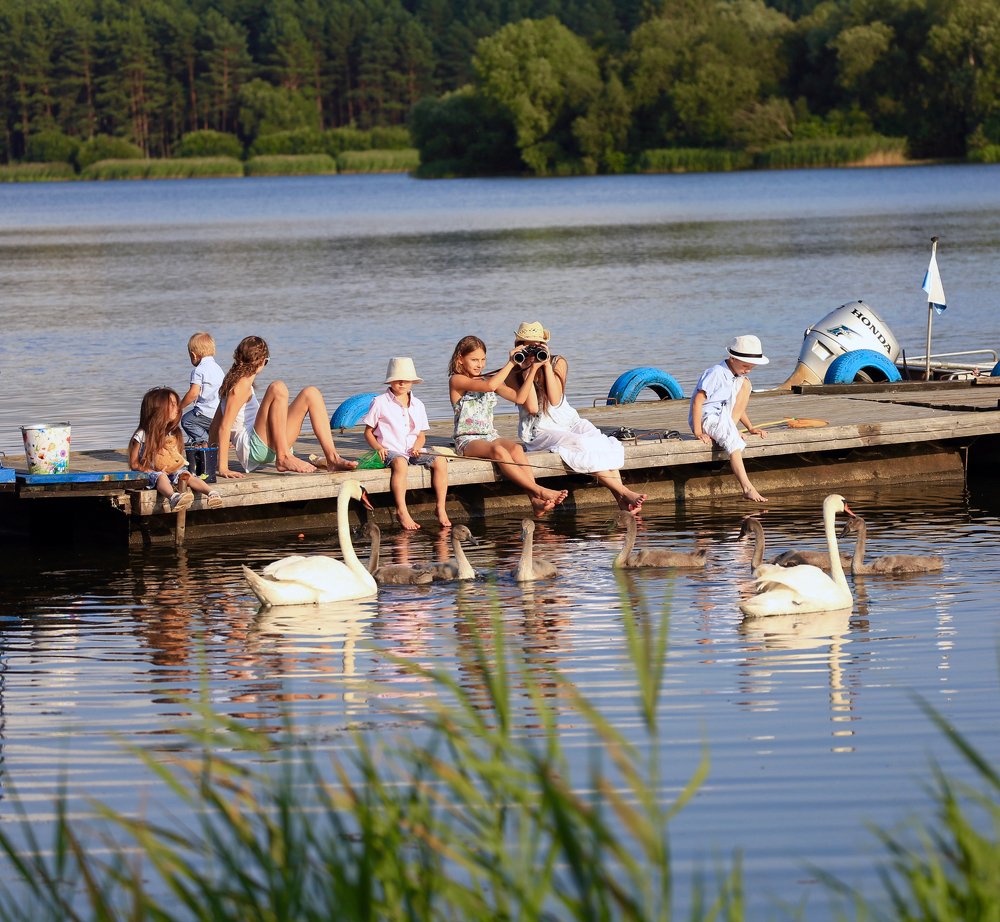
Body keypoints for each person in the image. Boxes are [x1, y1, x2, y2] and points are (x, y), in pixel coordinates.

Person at [508, 321, 647, 514]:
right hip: (540, 430)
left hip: (568, 420)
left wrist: (546, 365)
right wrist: (527, 370)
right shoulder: (513, 371)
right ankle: (624, 492)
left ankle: (621, 500)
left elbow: (555, 400)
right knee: (581, 443)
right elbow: (532, 407)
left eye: (538, 345)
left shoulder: (558, 362)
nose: (533, 351)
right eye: (528, 346)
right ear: (519, 346)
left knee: (600, 441)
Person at [449, 334, 568, 517]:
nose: (480, 364)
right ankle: (538, 490)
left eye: (483, 359)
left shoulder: (488, 380)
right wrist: (511, 363)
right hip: (467, 439)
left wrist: (532, 370)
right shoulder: (457, 380)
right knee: (498, 451)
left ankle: (535, 501)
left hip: (490, 435)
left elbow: (520, 398)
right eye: (474, 360)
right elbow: (490, 386)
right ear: (460, 359)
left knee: (516, 449)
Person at [209, 335, 357, 479]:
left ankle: (332, 459)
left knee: (311, 393)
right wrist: (222, 467)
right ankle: (283, 457)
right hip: (253, 448)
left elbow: (215, 424)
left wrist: (210, 458)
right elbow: (223, 427)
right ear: (262, 361)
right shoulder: (240, 386)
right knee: (277, 387)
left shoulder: (235, 382)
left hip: (266, 443)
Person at [363, 357, 451, 530]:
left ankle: (441, 507)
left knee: (440, 460)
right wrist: (379, 447)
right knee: (401, 463)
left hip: (412, 450)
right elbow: (368, 432)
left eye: (406, 380)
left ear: (412, 382)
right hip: (391, 451)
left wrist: (417, 446)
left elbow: (421, 435)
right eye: (397, 379)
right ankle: (401, 510)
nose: (402, 383)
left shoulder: (418, 404)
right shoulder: (380, 402)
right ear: (390, 381)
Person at [689, 334, 769, 503]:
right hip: (708, 417)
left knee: (746, 383)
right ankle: (747, 488)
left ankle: (730, 429)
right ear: (732, 358)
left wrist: (750, 427)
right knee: (734, 443)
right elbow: (697, 401)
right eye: (745, 365)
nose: (748, 370)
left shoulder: (737, 376)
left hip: (723, 415)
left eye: (751, 367)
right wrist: (698, 432)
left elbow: (735, 406)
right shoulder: (716, 373)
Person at [129, 386, 223, 511]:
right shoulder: (143, 434)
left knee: (186, 475)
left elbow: (174, 456)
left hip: (171, 471)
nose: (177, 408)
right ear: (158, 409)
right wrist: (148, 469)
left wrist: (175, 466)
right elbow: (134, 463)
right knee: (161, 476)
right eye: (172, 404)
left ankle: (211, 493)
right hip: (150, 473)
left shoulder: (172, 433)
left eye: (176, 404)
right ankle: (173, 497)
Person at [179, 332, 224, 445]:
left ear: (193, 355)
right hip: (220, 413)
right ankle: (213, 439)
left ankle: (205, 441)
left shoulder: (199, 370)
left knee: (187, 420)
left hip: (206, 413)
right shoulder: (218, 369)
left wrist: (179, 407)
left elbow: (193, 394)